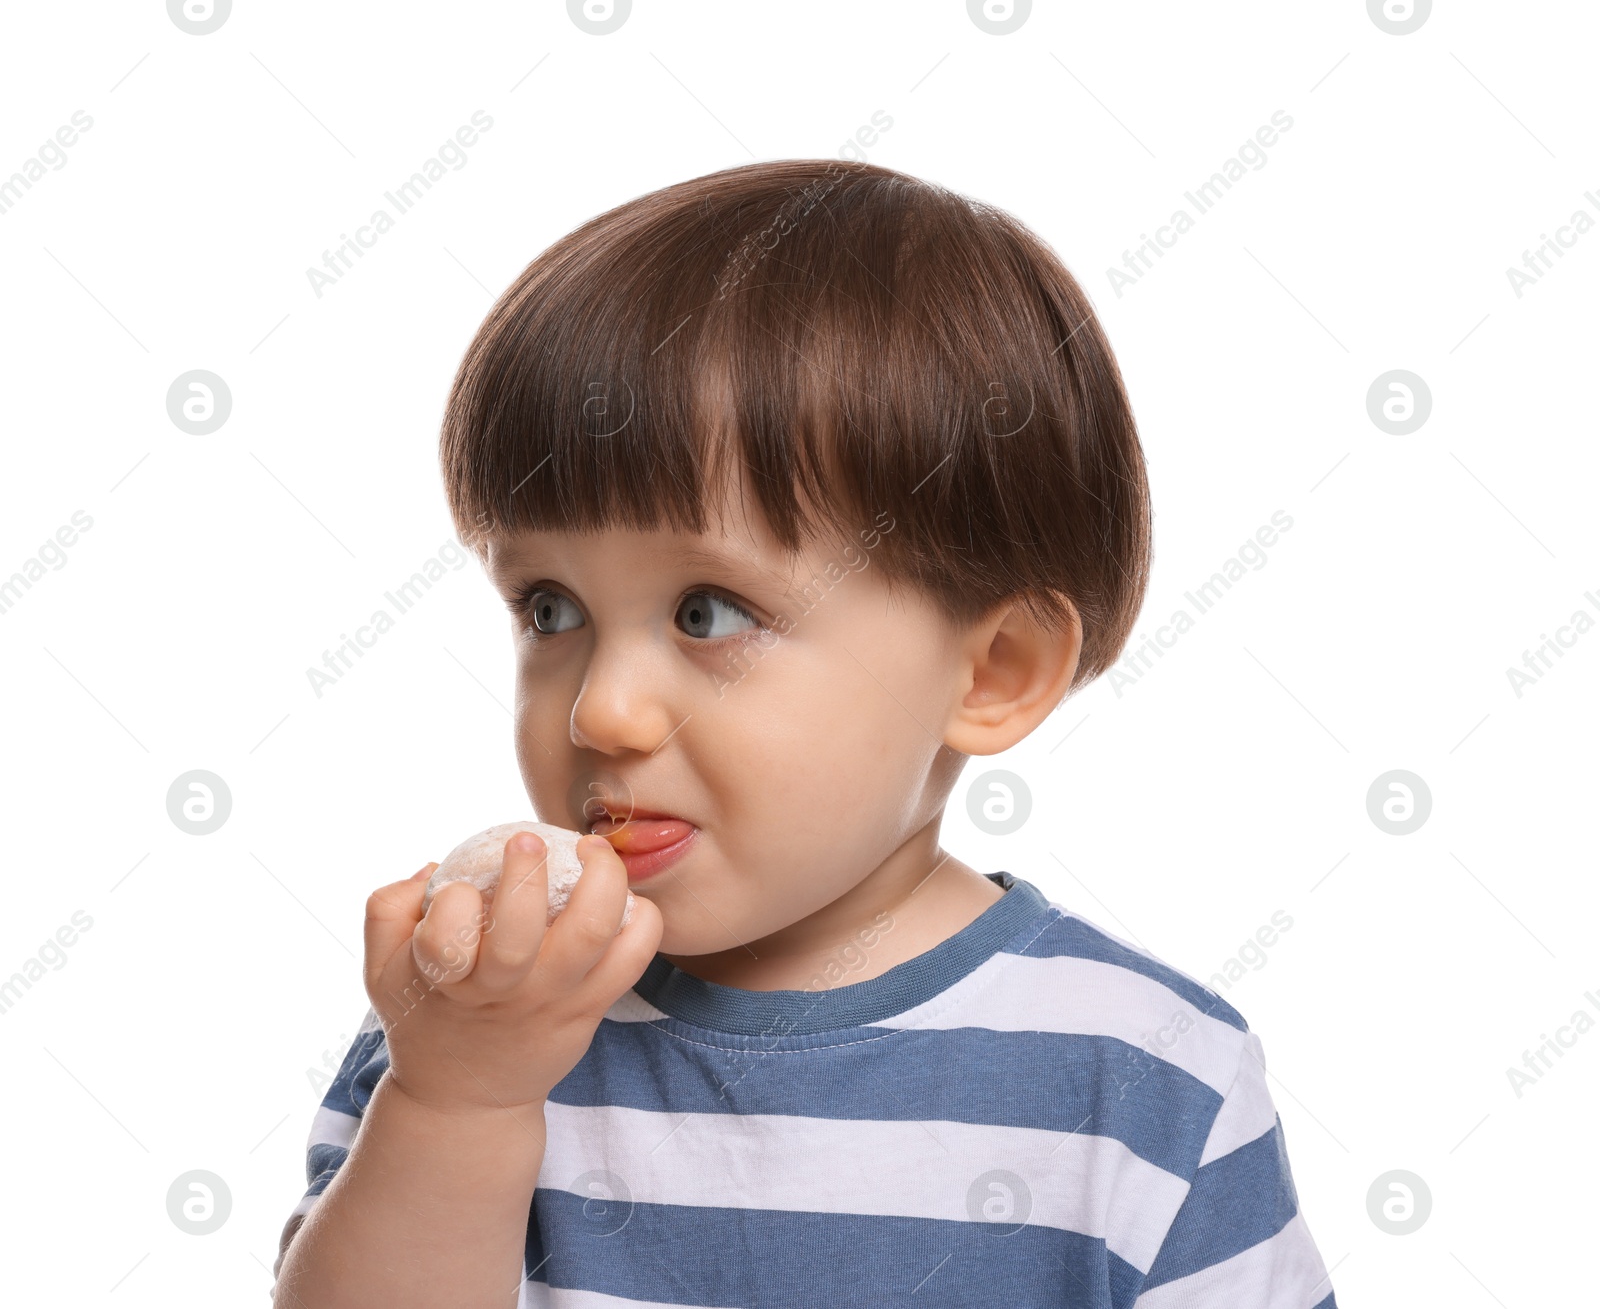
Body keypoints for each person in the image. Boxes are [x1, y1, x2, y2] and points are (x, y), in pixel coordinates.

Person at [272, 159, 1338, 1307]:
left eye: (707, 613)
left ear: (993, 671)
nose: (601, 709)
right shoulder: (479, 1021)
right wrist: (457, 1101)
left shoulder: (1142, 1078)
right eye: (550, 608)